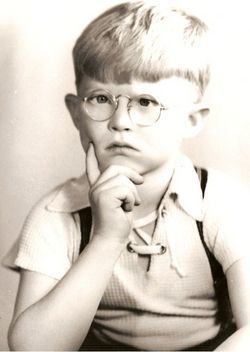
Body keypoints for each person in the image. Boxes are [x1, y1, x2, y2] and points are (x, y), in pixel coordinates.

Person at [4, 1, 250, 350]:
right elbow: (33, 348)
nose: (120, 121)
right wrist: (106, 239)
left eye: (146, 102)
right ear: (77, 114)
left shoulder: (222, 203)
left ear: (191, 120)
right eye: (101, 98)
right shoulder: (58, 214)